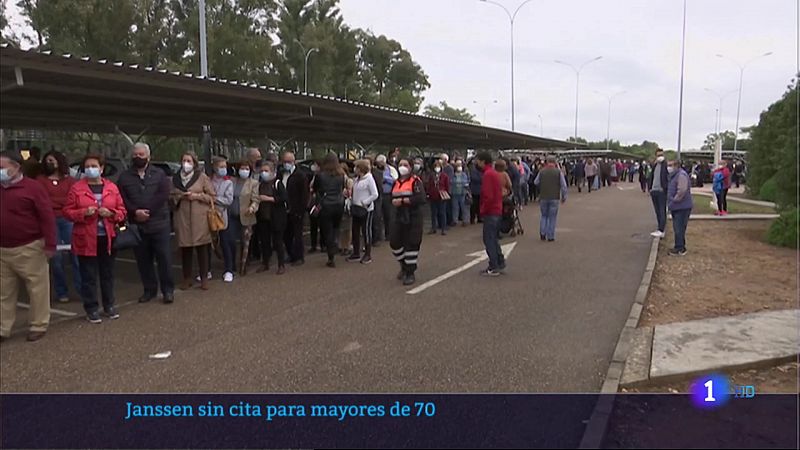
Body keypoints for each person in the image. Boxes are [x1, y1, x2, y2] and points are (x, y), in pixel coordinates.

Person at [63, 154, 127, 323]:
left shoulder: (112, 187)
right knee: (88, 276)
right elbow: (67, 212)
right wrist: (83, 213)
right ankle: (91, 308)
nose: (90, 169)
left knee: (107, 274)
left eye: (94, 165)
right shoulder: (76, 188)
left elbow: (122, 211)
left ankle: (109, 305)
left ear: (101, 168)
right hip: (85, 238)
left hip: (108, 237)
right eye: (87, 166)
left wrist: (111, 214)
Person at [0, 150, 56, 342]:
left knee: (37, 289)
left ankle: (38, 324)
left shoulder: (33, 188)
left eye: (2, 168)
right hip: (2, 249)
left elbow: (47, 217)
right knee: (3, 292)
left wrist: (50, 244)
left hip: (30, 246)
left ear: (16, 167)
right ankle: (2, 328)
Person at [117, 143, 175, 304]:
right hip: (138, 226)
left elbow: (162, 195)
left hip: (159, 224)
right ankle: (149, 290)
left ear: (148, 157)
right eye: (135, 155)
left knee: (164, 258)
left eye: (141, 155)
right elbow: (122, 198)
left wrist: (147, 211)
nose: (138, 157)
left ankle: (168, 291)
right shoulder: (124, 177)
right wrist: (135, 212)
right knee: (143, 261)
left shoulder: (159, 174)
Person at [37, 150, 80, 303]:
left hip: (68, 219)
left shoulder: (71, 181)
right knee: (56, 258)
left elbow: (72, 200)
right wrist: (59, 203)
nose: (49, 163)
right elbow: (42, 201)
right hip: (50, 221)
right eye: (47, 160)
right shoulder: (40, 180)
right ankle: (61, 292)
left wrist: (56, 202)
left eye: (52, 160)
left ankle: (81, 289)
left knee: (76, 255)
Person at [170, 151, 215, 290]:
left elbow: (212, 196)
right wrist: (179, 196)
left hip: (199, 217)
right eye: (184, 160)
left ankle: (204, 278)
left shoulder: (201, 177)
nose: (186, 164)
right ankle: (187, 278)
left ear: (194, 163)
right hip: (182, 218)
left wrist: (196, 196)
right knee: (186, 249)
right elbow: (170, 196)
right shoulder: (176, 178)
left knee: (202, 248)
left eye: (189, 161)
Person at [390, 158, 427, 285]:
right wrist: (393, 201)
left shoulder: (416, 181)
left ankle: (410, 273)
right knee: (394, 242)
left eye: (405, 165)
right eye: (400, 165)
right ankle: (404, 265)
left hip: (413, 216)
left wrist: (405, 201)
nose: (402, 167)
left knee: (411, 244)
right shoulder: (396, 182)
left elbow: (421, 198)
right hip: (399, 216)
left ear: (410, 167)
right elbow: (392, 195)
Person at [312, 153, 346, 268]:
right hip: (339, 203)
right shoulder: (341, 175)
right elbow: (341, 188)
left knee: (327, 230)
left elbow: (315, 189)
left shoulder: (320, 175)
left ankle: (330, 255)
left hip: (325, 205)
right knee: (336, 227)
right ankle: (335, 242)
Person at [254, 161, 288, 275]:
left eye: (266, 171)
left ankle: (281, 264)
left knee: (278, 242)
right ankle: (265, 263)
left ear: (273, 172)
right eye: (262, 171)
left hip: (276, 217)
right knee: (264, 242)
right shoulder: (260, 184)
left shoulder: (277, 183)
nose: (263, 173)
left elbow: (284, 198)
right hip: (263, 217)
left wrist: (269, 199)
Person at [475, 152, 505, 277]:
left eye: (478, 160)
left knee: (489, 239)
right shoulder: (493, 173)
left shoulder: (487, 175)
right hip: (497, 209)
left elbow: (488, 196)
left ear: (482, 161)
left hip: (491, 211)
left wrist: (482, 210)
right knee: (493, 238)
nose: (476, 163)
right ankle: (499, 261)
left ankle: (494, 265)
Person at [230, 160, 260, 275]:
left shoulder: (253, 183)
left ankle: (243, 266)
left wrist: (252, 208)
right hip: (232, 215)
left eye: (247, 169)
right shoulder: (232, 181)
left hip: (247, 216)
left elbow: (256, 199)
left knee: (245, 242)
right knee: (231, 240)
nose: (244, 171)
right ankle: (231, 264)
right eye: (242, 168)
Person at [348, 159, 379, 264]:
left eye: (356, 167)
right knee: (355, 231)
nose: (354, 169)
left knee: (366, 231)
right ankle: (356, 253)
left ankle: (368, 254)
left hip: (366, 209)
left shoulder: (369, 179)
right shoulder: (357, 179)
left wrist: (364, 202)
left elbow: (375, 194)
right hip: (356, 208)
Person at [281, 152, 309, 266]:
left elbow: (304, 195)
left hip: (296, 210)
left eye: (289, 161)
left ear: (294, 162)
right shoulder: (281, 174)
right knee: (286, 235)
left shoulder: (300, 175)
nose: (286, 164)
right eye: (285, 161)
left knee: (297, 234)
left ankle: (299, 257)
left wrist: (301, 210)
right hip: (284, 210)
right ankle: (291, 254)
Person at [210, 157, 234, 282]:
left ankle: (228, 270)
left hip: (222, 216)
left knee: (225, 242)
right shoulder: (208, 180)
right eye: (221, 166)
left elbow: (228, 200)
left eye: (225, 166)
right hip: (209, 216)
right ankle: (207, 270)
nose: (223, 169)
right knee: (209, 244)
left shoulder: (228, 182)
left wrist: (215, 198)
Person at [534, 155, 568, 242]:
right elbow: (564, 186)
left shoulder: (542, 171)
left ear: (547, 162)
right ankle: (550, 236)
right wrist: (564, 196)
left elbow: (536, 182)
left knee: (544, 216)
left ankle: (542, 233)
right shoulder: (558, 172)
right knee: (552, 217)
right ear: (555, 162)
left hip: (543, 196)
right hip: (554, 197)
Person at [667, 159, 693, 256]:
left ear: (676, 166)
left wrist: (674, 200)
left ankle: (680, 248)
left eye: (670, 165)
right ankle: (679, 246)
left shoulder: (681, 175)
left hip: (682, 206)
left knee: (679, 228)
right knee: (678, 227)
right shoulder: (674, 175)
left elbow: (682, 190)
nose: (669, 167)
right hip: (677, 206)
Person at [647, 149, 669, 238]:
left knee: (661, 210)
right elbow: (651, 176)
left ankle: (661, 229)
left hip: (661, 191)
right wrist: (650, 188)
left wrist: (665, 188)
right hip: (654, 190)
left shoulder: (665, 165)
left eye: (661, 155)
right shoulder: (655, 165)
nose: (659, 157)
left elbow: (667, 176)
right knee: (657, 211)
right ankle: (659, 228)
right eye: (658, 155)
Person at [376, 155, 398, 241]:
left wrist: (386, 179)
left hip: (388, 195)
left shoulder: (391, 169)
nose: (379, 165)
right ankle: (379, 235)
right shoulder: (376, 170)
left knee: (388, 215)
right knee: (378, 216)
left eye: (380, 163)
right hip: (379, 195)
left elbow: (395, 180)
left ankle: (388, 234)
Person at [426, 160, 450, 235]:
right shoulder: (431, 175)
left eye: (438, 166)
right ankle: (433, 228)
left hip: (442, 197)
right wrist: (428, 193)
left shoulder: (444, 176)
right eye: (436, 166)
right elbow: (429, 185)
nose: (437, 168)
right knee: (433, 213)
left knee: (442, 213)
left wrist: (446, 193)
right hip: (433, 196)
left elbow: (447, 186)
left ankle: (443, 228)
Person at [308, 161, 325, 254]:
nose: (313, 167)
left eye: (315, 165)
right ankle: (316, 245)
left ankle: (319, 244)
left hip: (317, 201)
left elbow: (315, 188)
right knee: (314, 224)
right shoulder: (313, 175)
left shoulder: (319, 176)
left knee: (318, 224)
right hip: (315, 201)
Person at [339, 163, 355, 257]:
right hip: (340, 205)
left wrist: (347, 192)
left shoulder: (348, 180)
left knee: (348, 227)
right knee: (342, 227)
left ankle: (347, 246)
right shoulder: (338, 180)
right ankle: (342, 246)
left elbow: (350, 192)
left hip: (347, 205)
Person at [369, 155, 384, 247]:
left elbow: (379, 187)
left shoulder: (377, 173)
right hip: (366, 200)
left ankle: (376, 238)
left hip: (376, 198)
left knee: (376, 218)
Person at [451, 159, 470, 227]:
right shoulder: (453, 175)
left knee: (464, 208)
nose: (459, 166)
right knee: (455, 208)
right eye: (457, 165)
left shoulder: (464, 174)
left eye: (460, 165)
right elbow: (451, 182)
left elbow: (467, 182)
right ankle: (455, 220)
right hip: (455, 193)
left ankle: (465, 221)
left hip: (463, 193)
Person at [440, 153, 456, 227]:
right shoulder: (440, 167)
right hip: (441, 190)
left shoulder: (449, 168)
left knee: (448, 207)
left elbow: (449, 179)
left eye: (441, 159)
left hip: (448, 189)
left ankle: (450, 221)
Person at [469, 158, 483, 224]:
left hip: (480, 190)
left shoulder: (482, 170)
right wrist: (481, 179)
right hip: (475, 190)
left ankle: (479, 218)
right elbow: (474, 178)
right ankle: (472, 218)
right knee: (473, 206)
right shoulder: (473, 170)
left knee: (479, 205)